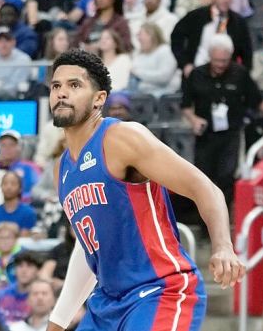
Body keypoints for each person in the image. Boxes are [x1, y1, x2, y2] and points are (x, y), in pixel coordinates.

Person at [45, 49, 246, 331]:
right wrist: (58, 320)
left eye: (74, 85)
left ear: (99, 99)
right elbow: (87, 246)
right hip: (107, 302)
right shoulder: (62, 169)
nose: (61, 93)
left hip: (159, 290)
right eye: (56, 86)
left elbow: (204, 187)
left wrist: (223, 247)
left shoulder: (122, 137)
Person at [181, 35, 263, 206]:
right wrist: (193, 120)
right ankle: (204, 222)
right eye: (216, 60)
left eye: (224, 60)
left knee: (227, 175)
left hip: (231, 133)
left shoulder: (239, 73)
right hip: (205, 134)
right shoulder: (197, 74)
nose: (220, 65)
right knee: (203, 176)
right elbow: (185, 105)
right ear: (210, 56)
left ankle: (224, 213)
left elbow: (259, 99)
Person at [171, 0, 252, 77]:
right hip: (197, 74)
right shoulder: (196, 16)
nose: (226, 0)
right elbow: (176, 37)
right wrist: (184, 64)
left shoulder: (239, 22)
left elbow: (247, 53)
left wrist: (242, 75)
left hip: (227, 77)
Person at [130, 23, 179, 96]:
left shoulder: (165, 51)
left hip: (164, 95)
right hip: (140, 94)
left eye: (140, 34)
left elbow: (163, 77)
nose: (138, 38)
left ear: (151, 35)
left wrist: (139, 73)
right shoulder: (139, 55)